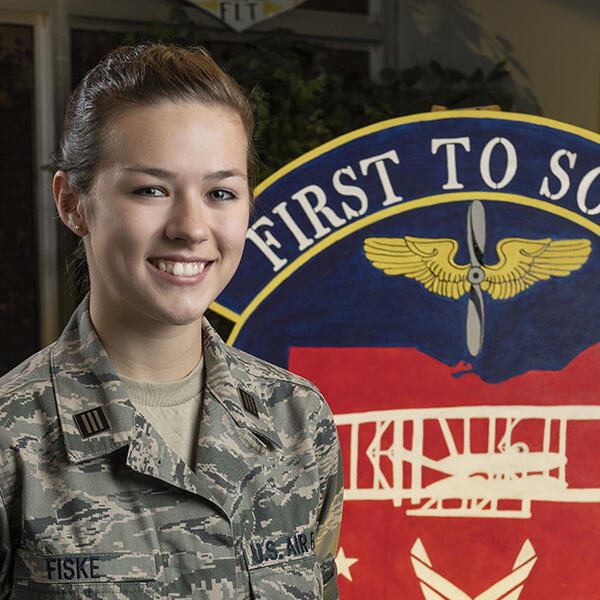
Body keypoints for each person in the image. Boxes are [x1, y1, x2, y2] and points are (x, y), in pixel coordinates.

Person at [0, 44, 343, 600]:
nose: (191, 227)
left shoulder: (296, 420)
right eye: (151, 190)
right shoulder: (11, 441)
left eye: (220, 193)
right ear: (72, 203)